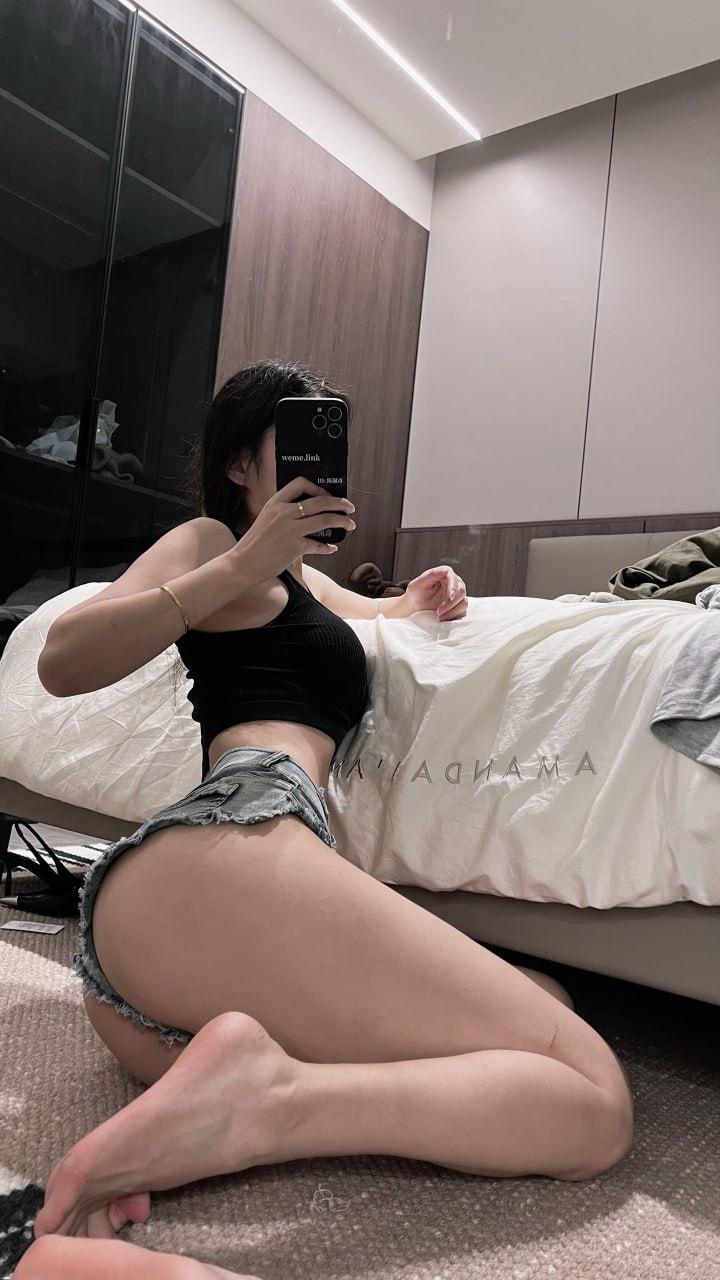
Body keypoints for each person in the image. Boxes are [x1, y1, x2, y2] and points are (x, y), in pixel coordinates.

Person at [26, 359, 633, 1278]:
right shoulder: (208, 542)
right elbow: (62, 661)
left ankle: (238, 1083)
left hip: (153, 973)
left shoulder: (305, 581)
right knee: (593, 1103)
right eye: (300, 441)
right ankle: (274, 1101)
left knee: (544, 1001)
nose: (323, 464)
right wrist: (244, 557)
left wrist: (418, 599)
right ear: (240, 464)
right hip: (233, 832)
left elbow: (374, 612)